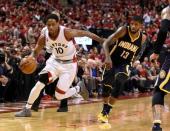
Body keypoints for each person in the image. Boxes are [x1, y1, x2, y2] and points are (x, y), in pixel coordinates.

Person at [15, 12, 104, 117]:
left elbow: (85, 33)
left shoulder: (66, 32)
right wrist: (30, 57)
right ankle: (27, 109)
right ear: (46, 25)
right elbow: (35, 51)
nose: (51, 27)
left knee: (59, 95)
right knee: (40, 83)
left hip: (69, 66)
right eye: (49, 25)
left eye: (53, 24)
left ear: (58, 23)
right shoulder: (44, 36)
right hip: (54, 62)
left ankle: (78, 88)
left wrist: (102, 40)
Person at [97, 16, 147, 123]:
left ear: (141, 26)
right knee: (106, 89)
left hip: (125, 63)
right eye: (132, 23)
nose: (133, 26)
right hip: (112, 61)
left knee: (120, 80)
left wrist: (133, 61)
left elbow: (138, 53)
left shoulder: (143, 38)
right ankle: (104, 108)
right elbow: (105, 43)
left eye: (136, 24)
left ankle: (106, 111)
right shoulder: (123, 30)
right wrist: (107, 57)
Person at [150, 2, 170, 131]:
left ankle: (156, 125)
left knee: (159, 90)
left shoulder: (168, 10)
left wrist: (156, 52)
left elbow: (163, 30)